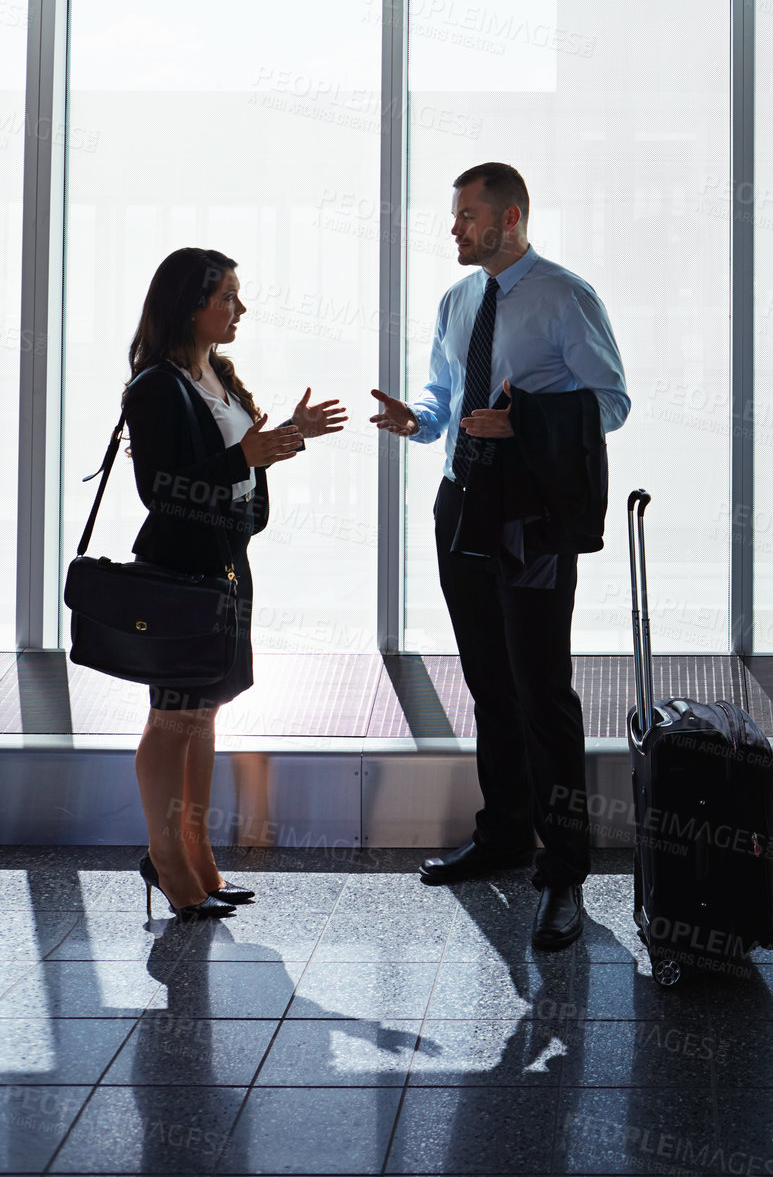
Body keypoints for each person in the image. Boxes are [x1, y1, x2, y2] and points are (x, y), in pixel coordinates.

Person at [371, 164, 629, 949]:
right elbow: (446, 396)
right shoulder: (458, 300)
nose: (454, 228)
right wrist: (416, 418)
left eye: (467, 216)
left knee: (542, 692)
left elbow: (611, 402)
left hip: (530, 517)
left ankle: (565, 872)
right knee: (488, 683)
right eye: (454, 217)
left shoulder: (563, 295)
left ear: (509, 217)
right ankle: (507, 835)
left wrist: (526, 425)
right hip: (464, 507)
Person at [123, 247, 347, 920]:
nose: (239, 309)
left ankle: (198, 858)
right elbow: (160, 487)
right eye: (228, 296)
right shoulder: (156, 386)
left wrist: (280, 440)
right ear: (191, 304)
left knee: (203, 712)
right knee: (171, 718)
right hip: (179, 570)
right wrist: (245, 453)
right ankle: (168, 863)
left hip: (224, 565)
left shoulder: (215, 372)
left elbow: (231, 465)